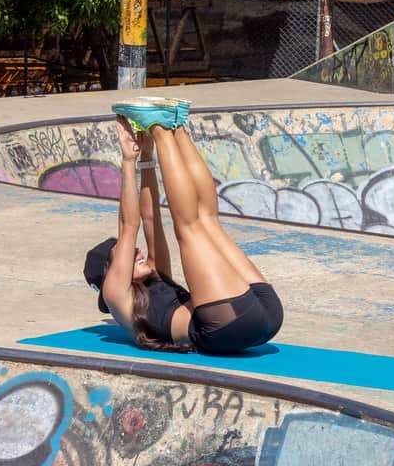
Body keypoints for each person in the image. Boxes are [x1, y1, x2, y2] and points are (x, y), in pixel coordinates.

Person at [83, 97, 282, 355]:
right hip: (227, 326)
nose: (137, 252)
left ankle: (177, 126)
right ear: (112, 271)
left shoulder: (156, 278)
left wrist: (145, 157)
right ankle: (160, 125)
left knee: (208, 221)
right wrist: (127, 162)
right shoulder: (117, 296)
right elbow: (128, 226)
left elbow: (150, 217)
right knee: (189, 227)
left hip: (264, 314)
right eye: (127, 254)